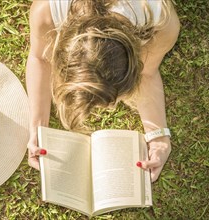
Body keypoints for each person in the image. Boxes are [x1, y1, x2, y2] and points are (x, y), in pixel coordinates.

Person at [26, 0, 180, 182]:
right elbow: (40, 59)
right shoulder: (46, 11)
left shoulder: (162, 22)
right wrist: (37, 127)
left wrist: (158, 136)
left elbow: (147, 73)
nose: (111, 107)